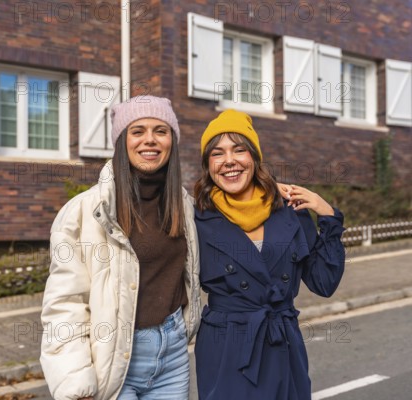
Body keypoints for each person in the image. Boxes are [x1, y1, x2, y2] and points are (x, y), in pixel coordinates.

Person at [40, 95, 201, 400]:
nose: (149, 140)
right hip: (115, 359)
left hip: (173, 353)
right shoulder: (85, 211)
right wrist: (75, 380)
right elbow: (65, 304)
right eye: (137, 131)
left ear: (172, 141)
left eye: (161, 131)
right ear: (121, 141)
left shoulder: (185, 206)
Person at [193, 109, 346, 400]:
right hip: (225, 349)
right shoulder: (196, 218)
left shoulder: (290, 210)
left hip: (283, 345)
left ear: (254, 157)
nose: (229, 161)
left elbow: (324, 282)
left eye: (239, 149)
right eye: (217, 153)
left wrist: (327, 215)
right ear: (207, 165)